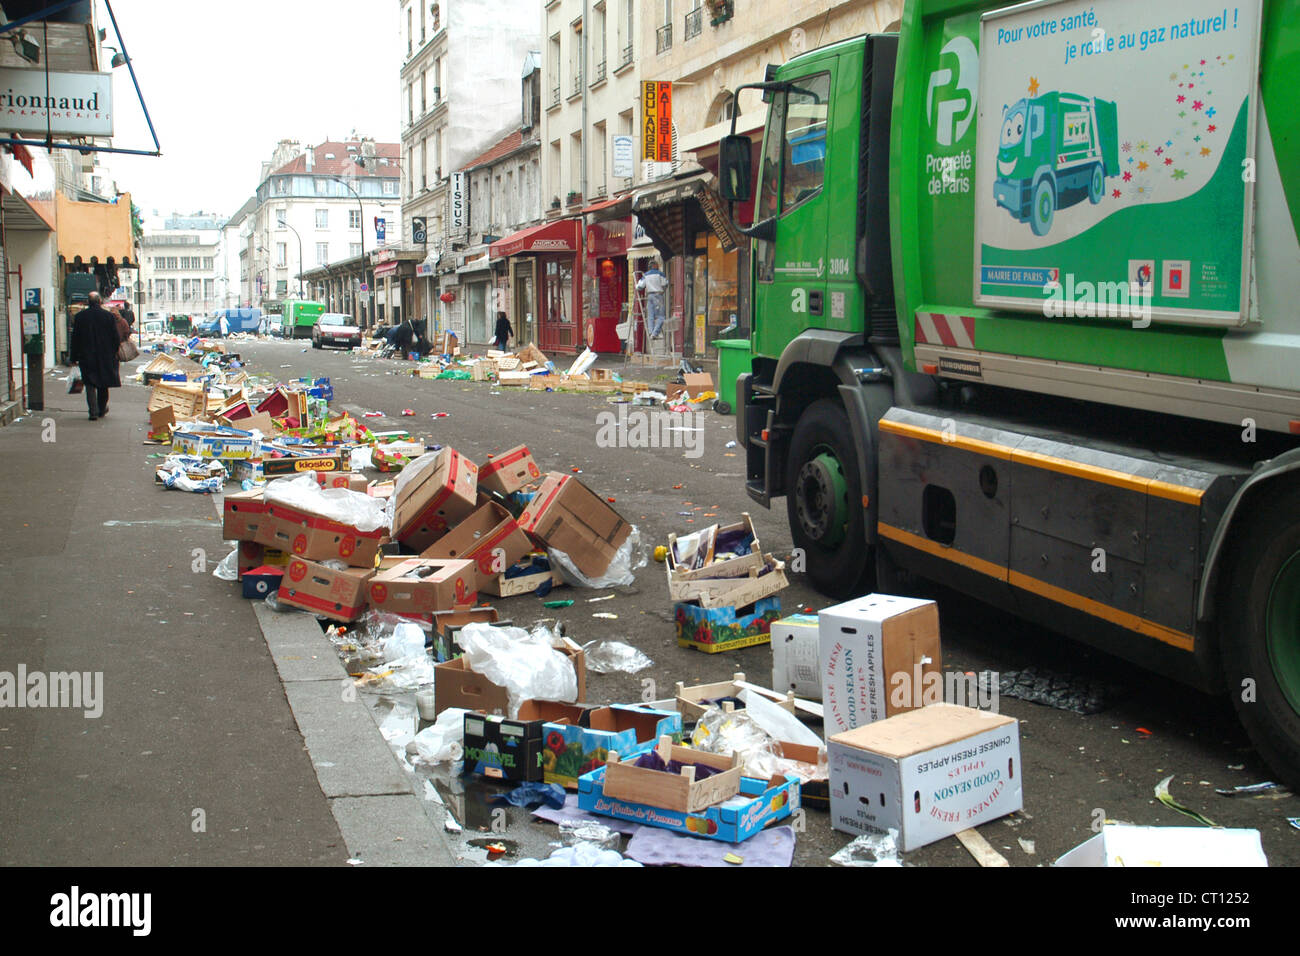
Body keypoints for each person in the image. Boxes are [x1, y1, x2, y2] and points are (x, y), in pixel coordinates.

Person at [69, 291, 123, 420]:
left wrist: (73, 357)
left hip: (86, 356)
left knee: (89, 383)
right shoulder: (108, 317)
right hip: (105, 356)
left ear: (88, 302)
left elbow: (75, 338)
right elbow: (115, 337)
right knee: (103, 383)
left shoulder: (80, 317)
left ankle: (93, 412)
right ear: (99, 301)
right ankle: (101, 409)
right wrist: (114, 352)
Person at [637, 265, 668, 338]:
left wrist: (637, 285)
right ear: (656, 266)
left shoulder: (646, 274)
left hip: (650, 295)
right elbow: (665, 284)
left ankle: (651, 332)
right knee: (661, 316)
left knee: (650, 316)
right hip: (658, 295)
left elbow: (640, 286)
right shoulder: (660, 274)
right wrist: (663, 289)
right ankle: (655, 333)